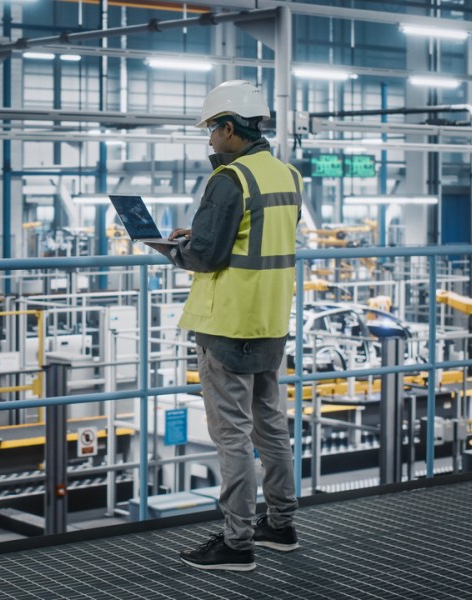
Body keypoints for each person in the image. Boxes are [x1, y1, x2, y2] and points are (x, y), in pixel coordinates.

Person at [147, 80, 302, 571]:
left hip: (228, 322)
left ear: (231, 128)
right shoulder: (286, 175)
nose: (210, 139)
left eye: (212, 129)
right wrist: (206, 231)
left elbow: (207, 256)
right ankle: (280, 525)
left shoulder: (228, 179)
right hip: (271, 318)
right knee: (271, 426)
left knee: (232, 435)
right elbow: (256, 234)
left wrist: (176, 249)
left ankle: (237, 544)